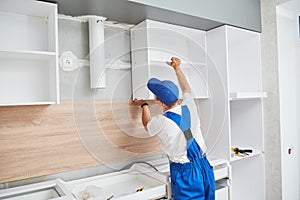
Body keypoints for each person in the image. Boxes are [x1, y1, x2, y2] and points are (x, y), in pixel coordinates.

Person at [133, 57, 215, 200]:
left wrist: (144, 105)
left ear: (159, 102)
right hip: (205, 166)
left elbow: (147, 125)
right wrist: (177, 68)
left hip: (186, 174)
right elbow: (186, 88)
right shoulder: (190, 106)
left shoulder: (162, 121)